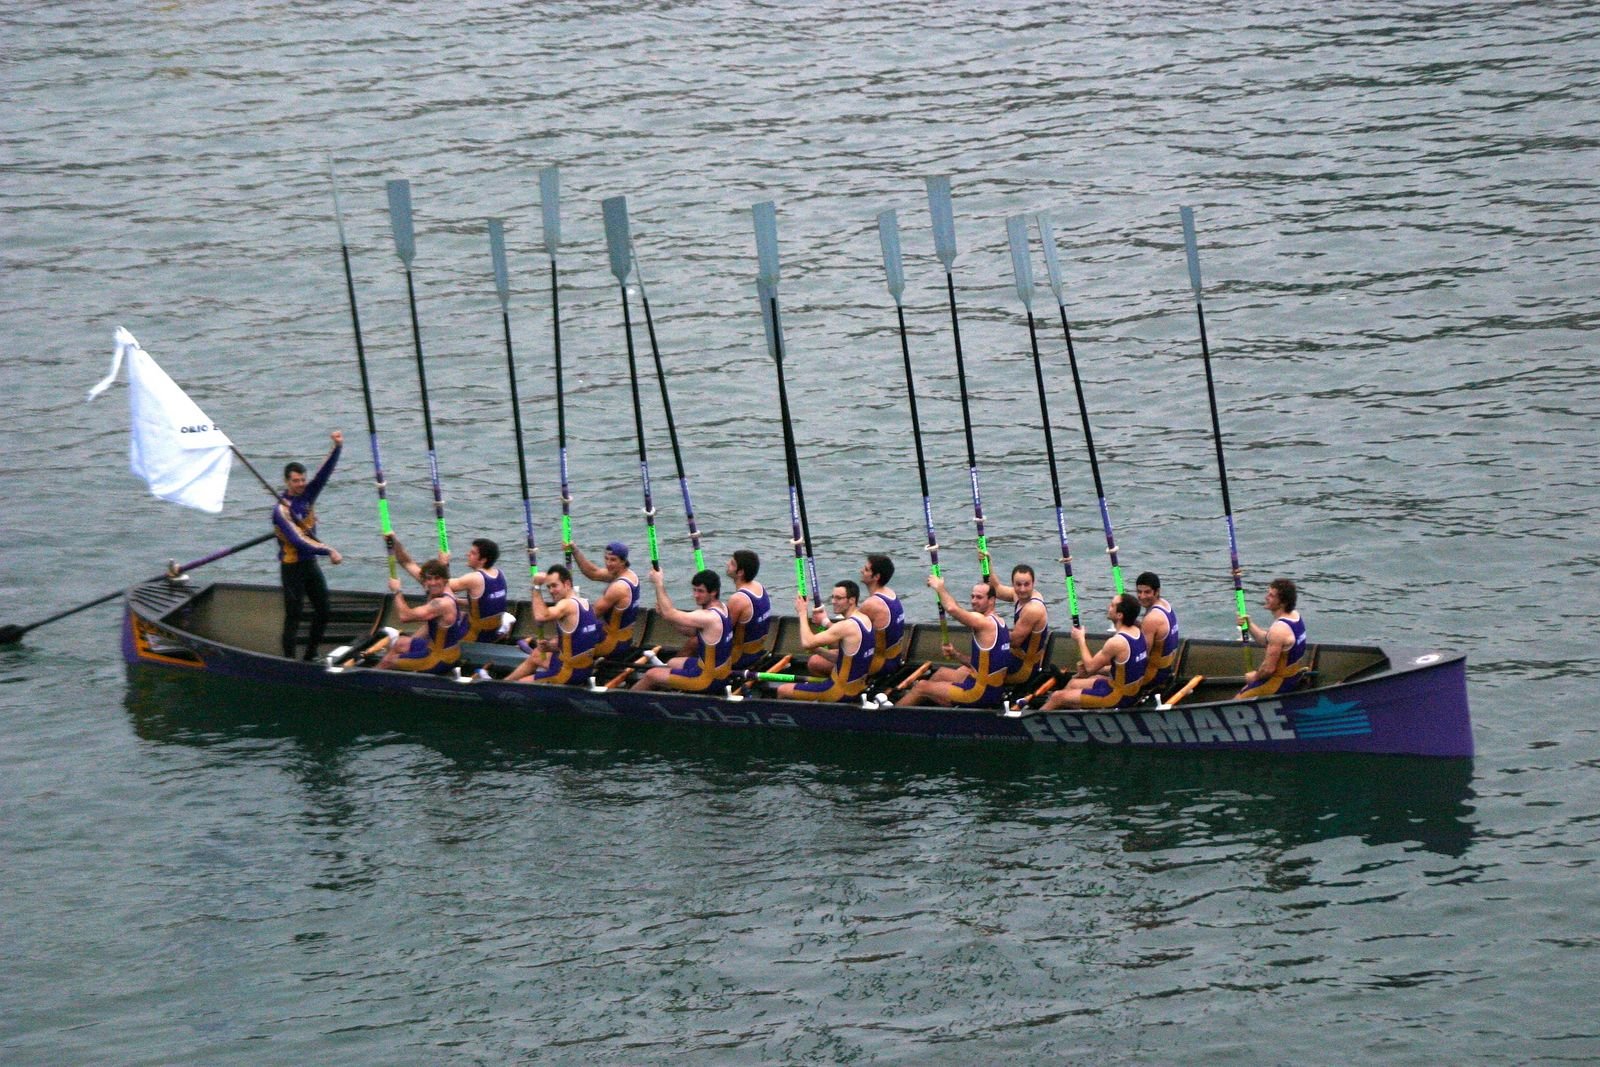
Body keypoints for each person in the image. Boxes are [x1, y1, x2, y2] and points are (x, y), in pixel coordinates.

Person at [274, 430, 343, 660]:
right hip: (292, 567)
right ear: (287, 482)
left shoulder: (307, 496)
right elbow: (299, 541)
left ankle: (311, 655)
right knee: (294, 615)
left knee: (324, 610)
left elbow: (324, 474)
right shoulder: (282, 511)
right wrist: (328, 549)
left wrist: (337, 447)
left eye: (302, 480)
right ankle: (289, 661)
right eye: (296, 481)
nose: (301, 484)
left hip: (309, 564)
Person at [897, 576, 1012, 708]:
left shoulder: (984, 622)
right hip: (989, 687)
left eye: (979, 597)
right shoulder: (1000, 622)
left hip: (979, 693)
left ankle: (890, 717)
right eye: (972, 596)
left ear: (992, 600)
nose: (974, 601)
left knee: (921, 687)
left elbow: (952, 609)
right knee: (941, 673)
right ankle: (929, 707)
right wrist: (956, 655)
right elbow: (981, 665)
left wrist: (940, 588)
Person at [801, 554, 905, 681]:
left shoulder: (872, 604)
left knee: (815, 662)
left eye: (866, 569)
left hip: (878, 665)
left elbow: (848, 630)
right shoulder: (890, 593)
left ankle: (841, 687)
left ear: (876, 577)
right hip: (892, 658)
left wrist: (824, 621)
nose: (861, 570)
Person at [391, 536, 510, 643]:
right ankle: (413, 642)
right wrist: (457, 600)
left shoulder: (475, 578)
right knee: (454, 613)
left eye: (473, 553)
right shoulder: (499, 574)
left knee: (439, 616)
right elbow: (485, 603)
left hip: (476, 636)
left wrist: (443, 563)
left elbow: (439, 584)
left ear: (483, 560)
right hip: (492, 631)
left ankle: (411, 646)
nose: (467, 555)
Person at [1041, 594, 1149, 711]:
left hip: (1118, 696)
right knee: (1073, 683)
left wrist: (1080, 639)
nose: (1109, 607)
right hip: (1126, 690)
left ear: (1119, 615)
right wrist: (1099, 670)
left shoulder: (1117, 642)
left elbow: (1090, 667)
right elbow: (1125, 667)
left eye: (1112, 605)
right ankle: (1069, 713)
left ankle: (1036, 723)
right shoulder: (1138, 631)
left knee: (1057, 697)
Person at [634, 568, 732, 692]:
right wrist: (666, 616)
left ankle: (624, 703)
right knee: (672, 663)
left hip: (706, 680)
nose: (695, 595)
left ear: (713, 592)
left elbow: (670, 612)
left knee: (650, 675)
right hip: (719, 672)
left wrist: (658, 582)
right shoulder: (723, 608)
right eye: (694, 590)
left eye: (701, 591)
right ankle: (667, 689)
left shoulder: (708, 617)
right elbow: (689, 631)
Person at [779, 581, 876, 702]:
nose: (833, 601)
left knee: (782, 690)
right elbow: (842, 658)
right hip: (857, 686)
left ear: (852, 600)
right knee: (815, 662)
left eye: (839, 598)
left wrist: (802, 612)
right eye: (833, 597)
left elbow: (807, 642)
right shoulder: (864, 619)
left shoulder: (846, 626)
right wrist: (818, 649)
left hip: (838, 691)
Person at [506, 564, 601, 685]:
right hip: (583, 667)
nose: (551, 591)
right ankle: (503, 683)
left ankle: (505, 687)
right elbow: (578, 643)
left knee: (520, 684)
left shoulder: (567, 605)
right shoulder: (585, 603)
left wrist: (536, 587)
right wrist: (551, 647)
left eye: (555, 586)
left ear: (567, 584)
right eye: (548, 587)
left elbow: (541, 616)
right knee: (537, 654)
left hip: (569, 673)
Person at [376, 559, 467, 674]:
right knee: (400, 643)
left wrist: (397, 591)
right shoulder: (442, 590)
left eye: (437, 578)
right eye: (429, 579)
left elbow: (405, 616)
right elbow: (407, 561)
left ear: (445, 580)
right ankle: (392, 675)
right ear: (425, 582)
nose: (433, 583)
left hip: (440, 659)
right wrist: (392, 542)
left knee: (388, 661)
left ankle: (366, 683)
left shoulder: (443, 604)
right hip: (435, 648)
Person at [1236, 577, 1310, 698]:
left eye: (1271, 595)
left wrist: (1254, 677)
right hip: (1293, 677)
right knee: (1246, 689)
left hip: (1279, 682)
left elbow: (1268, 670)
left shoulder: (1279, 630)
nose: (1266, 597)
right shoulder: (1295, 616)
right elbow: (1265, 640)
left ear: (1282, 602)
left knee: (1238, 700)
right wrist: (1249, 624)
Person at [568, 540, 640, 661]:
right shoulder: (629, 575)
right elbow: (593, 573)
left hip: (611, 643)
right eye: (606, 559)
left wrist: (568, 609)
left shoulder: (619, 588)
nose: (608, 563)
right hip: (624, 638)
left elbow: (591, 615)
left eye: (613, 560)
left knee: (567, 642)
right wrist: (575, 550)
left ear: (623, 561)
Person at [990, 563, 1050, 686]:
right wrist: (986, 563)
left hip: (1023, 669)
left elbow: (1014, 642)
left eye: (1026, 584)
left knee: (974, 670)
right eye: (1018, 585)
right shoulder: (1018, 595)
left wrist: (989, 626)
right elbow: (996, 589)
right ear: (1013, 584)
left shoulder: (1033, 609)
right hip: (1013, 657)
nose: (1022, 589)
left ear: (1034, 583)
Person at [725, 549, 773, 671]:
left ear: (740, 572)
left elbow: (722, 632)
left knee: (695, 641)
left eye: (732, 563)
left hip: (740, 657)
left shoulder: (738, 599)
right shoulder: (758, 586)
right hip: (757, 651)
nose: (727, 564)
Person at [1135, 571, 1181, 692]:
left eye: (1147, 592)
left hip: (1152, 676)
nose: (1142, 596)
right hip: (1166, 670)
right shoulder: (1165, 604)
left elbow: (1141, 658)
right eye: (1139, 592)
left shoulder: (1152, 619)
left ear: (1157, 591)